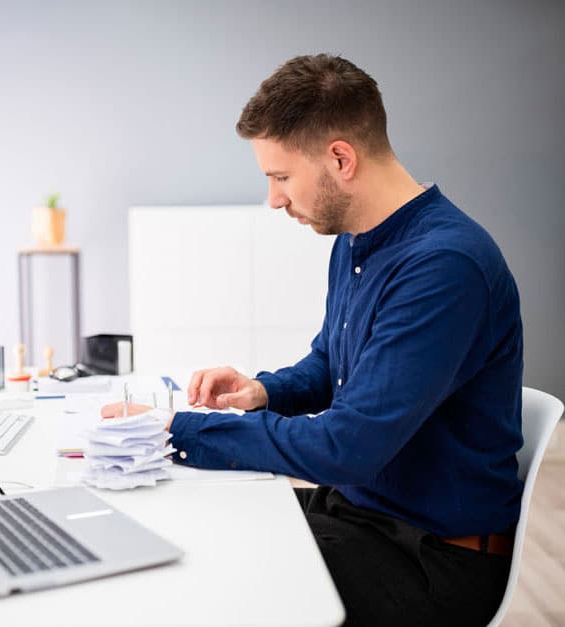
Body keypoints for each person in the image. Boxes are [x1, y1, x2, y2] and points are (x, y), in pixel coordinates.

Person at [102, 54, 523, 626]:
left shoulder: (443, 266)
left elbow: (347, 447)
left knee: (213, 589)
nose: (274, 199)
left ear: (341, 159)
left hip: (429, 560)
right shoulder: (355, 242)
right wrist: (261, 392)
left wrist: (172, 428)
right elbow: (332, 364)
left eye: (280, 177)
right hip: (361, 516)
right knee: (193, 533)